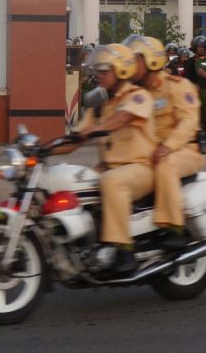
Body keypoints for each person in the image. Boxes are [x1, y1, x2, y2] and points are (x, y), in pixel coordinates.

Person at [53, 43, 156, 277]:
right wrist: (42, 150)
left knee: (111, 181)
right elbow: (75, 140)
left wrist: (91, 131)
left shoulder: (138, 96)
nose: (97, 75)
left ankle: (124, 250)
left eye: (104, 70)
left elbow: (122, 119)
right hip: (109, 167)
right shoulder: (99, 105)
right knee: (77, 184)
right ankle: (89, 245)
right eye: (97, 70)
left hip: (141, 167)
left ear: (121, 70)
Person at [122, 34, 205, 247]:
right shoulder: (135, 93)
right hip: (149, 153)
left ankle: (174, 228)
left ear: (151, 60)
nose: (129, 64)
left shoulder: (176, 85)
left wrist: (167, 147)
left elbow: (189, 122)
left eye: (135, 59)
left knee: (165, 165)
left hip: (184, 151)